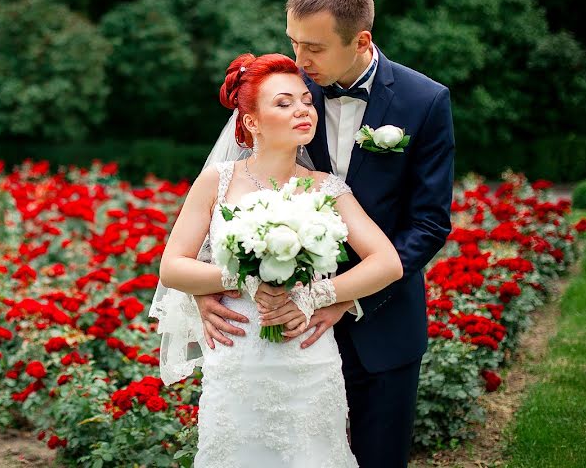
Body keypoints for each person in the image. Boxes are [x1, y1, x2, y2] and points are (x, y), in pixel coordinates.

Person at [194, 0, 455, 468]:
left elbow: (428, 225)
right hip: (274, 334)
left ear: (361, 41)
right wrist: (207, 289)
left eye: (312, 47)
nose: (299, 61)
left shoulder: (425, 103)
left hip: (383, 324)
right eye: (293, 43)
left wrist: (341, 296)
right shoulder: (286, 95)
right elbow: (229, 199)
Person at [158, 52, 403, 467]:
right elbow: (172, 266)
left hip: (307, 353)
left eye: (306, 101)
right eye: (284, 103)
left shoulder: (328, 187)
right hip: (238, 356)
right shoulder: (217, 182)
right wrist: (242, 280)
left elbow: (387, 262)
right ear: (251, 121)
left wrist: (316, 295)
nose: (303, 110)